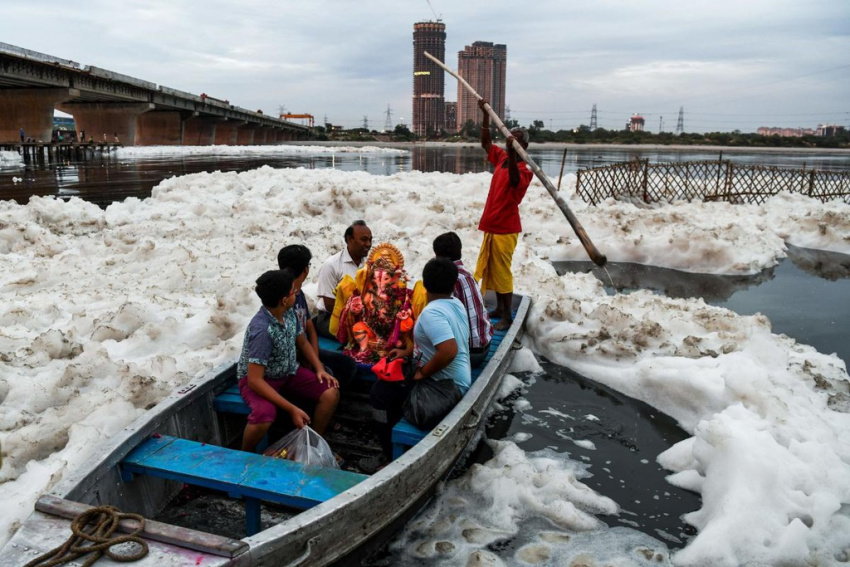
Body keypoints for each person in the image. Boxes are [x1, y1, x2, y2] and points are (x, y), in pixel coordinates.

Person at [361, 258, 471, 473]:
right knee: (391, 376)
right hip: (456, 378)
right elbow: (437, 342)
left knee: (379, 395)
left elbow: (448, 351)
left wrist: (421, 372)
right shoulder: (455, 304)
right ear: (453, 285)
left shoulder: (432, 313)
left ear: (425, 285)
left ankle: (388, 452)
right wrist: (407, 351)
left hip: (443, 385)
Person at [237, 269, 340, 453]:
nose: (297, 293)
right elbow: (254, 380)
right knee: (264, 415)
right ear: (284, 300)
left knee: (330, 393)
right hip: (261, 381)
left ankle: (312, 445)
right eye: (293, 291)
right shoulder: (262, 330)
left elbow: (302, 341)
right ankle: (245, 454)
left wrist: (319, 368)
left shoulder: (288, 312)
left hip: (289, 372)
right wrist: (292, 409)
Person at [474, 98, 534, 330]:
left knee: (502, 272)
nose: (510, 143)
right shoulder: (501, 159)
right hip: (492, 224)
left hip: (506, 228)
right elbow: (486, 143)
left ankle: (507, 316)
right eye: (510, 139)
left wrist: (511, 152)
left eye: (515, 141)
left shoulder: (523, 169)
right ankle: (499, 308)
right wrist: (486, 116)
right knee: (492, 269)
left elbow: (514, 181)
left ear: (523, 147)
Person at [277, 244, 358, 387]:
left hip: (306, 349)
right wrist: (314, 363)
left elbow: (310, 328)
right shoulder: (284, 300)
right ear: (306, 270)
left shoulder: (299, 293)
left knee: (347, 365)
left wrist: (314, 357)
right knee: (327, 377)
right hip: (291, 356)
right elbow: (293, 342)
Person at [433, 231, 492, 368]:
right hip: (485, 347)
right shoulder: (467, 275)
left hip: (469, 355)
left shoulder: (449, 279)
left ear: (440, 256)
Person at [314, 220, 372, 338]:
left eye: (370, 240)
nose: (369, 244)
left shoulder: (369, 265)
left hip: (361, 317)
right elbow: (330, 304)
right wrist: (356, 319)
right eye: (364, 239)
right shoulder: (331, 265)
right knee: (364, 337)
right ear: (350, 239)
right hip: (330, 318)